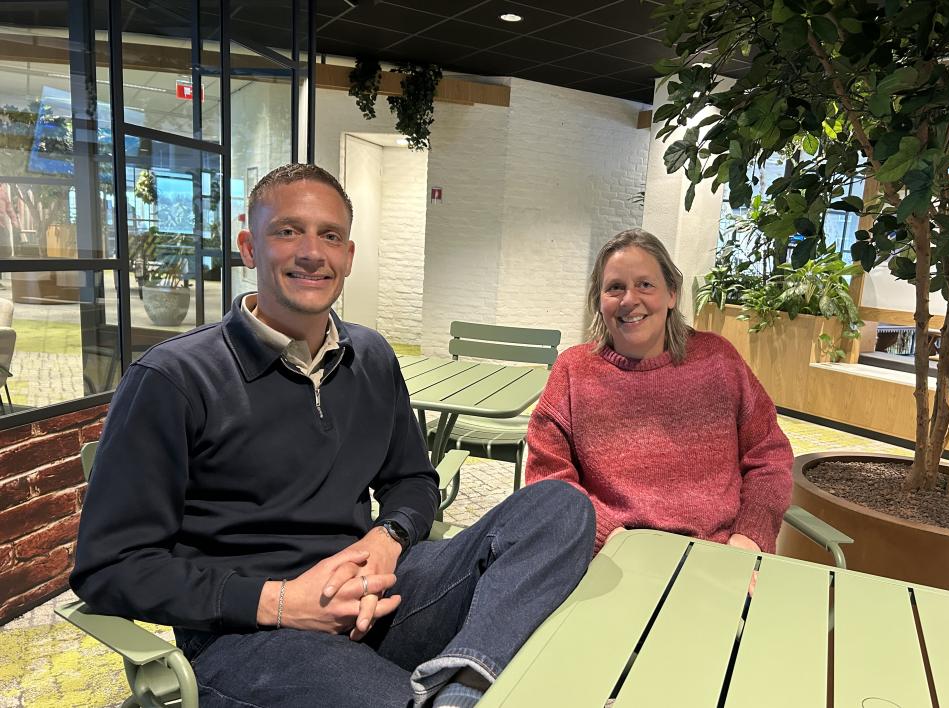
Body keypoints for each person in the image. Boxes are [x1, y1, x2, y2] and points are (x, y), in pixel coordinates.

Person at [71, 163, 595, 708]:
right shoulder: (174, 378)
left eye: (330, 236)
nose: (311, 252)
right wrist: (281, 602)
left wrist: (386, 537)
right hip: (250, 636)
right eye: (287, 231)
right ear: (249, 248)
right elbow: (110, 568)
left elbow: (413, 479)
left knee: (558, 508)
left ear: (348, 255)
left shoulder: (370, 357)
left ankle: (465, 684)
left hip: (374, 597)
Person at [525, 228, 792, 559]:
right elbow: (548, 480)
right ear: (599, 300)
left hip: (718, 556)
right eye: (615, 288)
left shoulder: (718, 361)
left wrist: (750, 535)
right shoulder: (572, 371)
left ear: (672, 294)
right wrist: (607, 537)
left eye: (645, 285)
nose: (629, 299)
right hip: (611, 558)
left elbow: (770, 455)